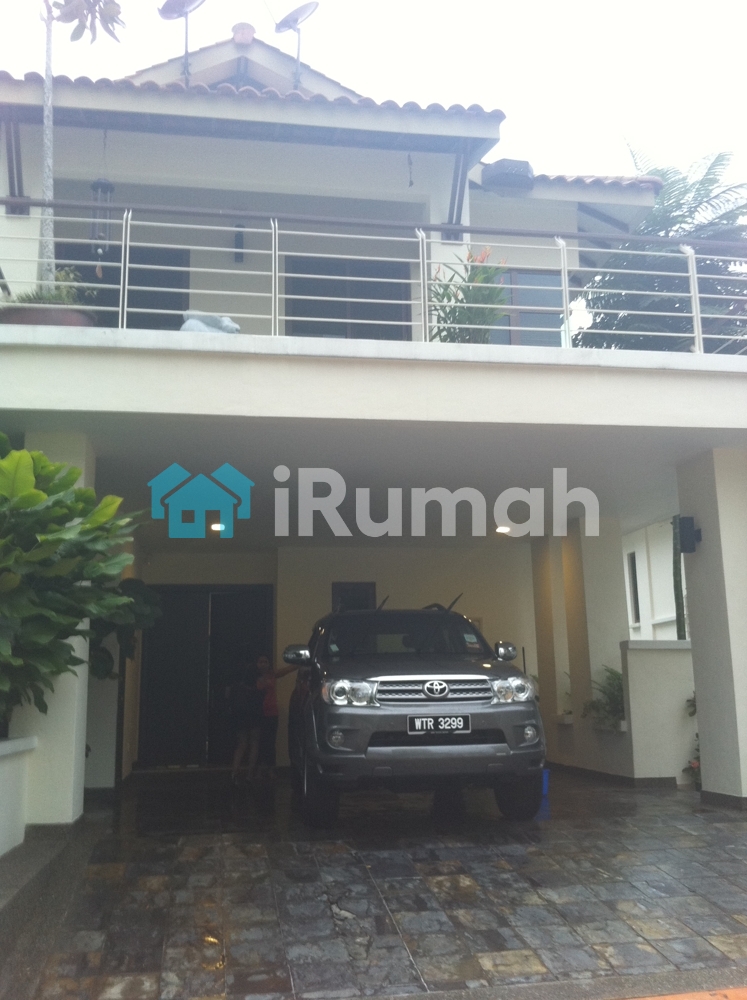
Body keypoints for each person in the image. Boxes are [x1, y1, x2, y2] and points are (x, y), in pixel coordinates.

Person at [256, 653, 300, 780]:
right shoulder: (253, 676)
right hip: (259, 713)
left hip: (272, 713)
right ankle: (259, 769)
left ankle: (270, 769)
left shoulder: (272, 674)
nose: (263, 664)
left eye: (265, 661)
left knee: (271, 742)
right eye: (261, 661)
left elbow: (288, 670)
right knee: (260, 742)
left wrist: (300, 663)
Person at [227, 659, 264, 786]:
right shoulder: (258, 690)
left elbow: (229, 699)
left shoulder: (237, 687)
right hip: (254, 717)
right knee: (254, 744)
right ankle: (249, 775)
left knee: (241, 745)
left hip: (240, 717)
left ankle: (234, 773)